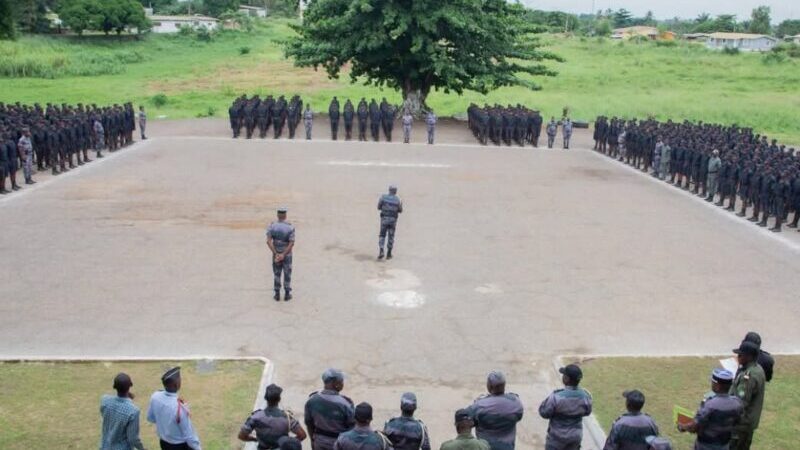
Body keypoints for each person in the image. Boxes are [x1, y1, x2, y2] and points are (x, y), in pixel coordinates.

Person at [678, 368, 742, 450]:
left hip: (706, 445)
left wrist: (683, 426)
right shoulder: (737, 403)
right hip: (724, 445)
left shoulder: (710, 405)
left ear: (717, 385)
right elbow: (738, 422)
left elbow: (695, 426)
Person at [538, 364, 592, 450]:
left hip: (556, 438)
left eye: (564, 375)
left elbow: (544, 412)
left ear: (566, 379)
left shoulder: (556, 397)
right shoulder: (586, 396)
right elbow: (588, 412)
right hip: (575, 437)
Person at [147, 367, 202, 450]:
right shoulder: (179, 408)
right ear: (177, 384)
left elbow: (150, 418)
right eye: (180, 379)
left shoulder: (155, 397)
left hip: (164, 443)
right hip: (179, 446)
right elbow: (189, 435)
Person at [239, 383, 307, 449]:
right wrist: (287, 445)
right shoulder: (287, 418)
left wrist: (255, 439)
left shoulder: (255, 417)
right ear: (279, 399)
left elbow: (242, 436)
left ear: (265, 398)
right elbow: (302, 435)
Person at [470, 371, 524, 450]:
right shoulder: (515, 403)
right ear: (504, 385)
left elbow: (470, 421)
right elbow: (519, 416)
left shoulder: (480, 405)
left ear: (489, 386)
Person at [305, 369, 356, 450]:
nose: (343, 384)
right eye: (341, 381)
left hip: (319, 443)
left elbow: (308, 423)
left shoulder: (312, 400)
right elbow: (352, 427)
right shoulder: (345, 403)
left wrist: (313, 440)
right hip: (339, 444)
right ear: (336, 384)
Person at [729, 341, 766, 450]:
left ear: (749, 357)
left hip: (740, 425)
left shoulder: (748, 377)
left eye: (740, 355)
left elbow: (740, 402)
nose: (738, 357)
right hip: (747, 424)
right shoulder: (757, 369)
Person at [100, 373, 146, 450]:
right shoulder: (133, 411)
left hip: (105, 446)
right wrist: (142, 448)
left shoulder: (105, 400)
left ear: (114, 386)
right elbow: (133, 438)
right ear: (130, 386)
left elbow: (105, 415)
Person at [266, 207, 296, 302]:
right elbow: (292, 243)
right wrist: (283, 254)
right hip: (287, 254)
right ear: (285, 215)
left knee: (277, 273)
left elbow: (268, 241)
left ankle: (277, 294)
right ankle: (287, 294)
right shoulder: (290, 227)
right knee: (287, 273)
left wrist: (276, 253)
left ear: (278, 215)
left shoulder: (272, 226)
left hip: (276, 253)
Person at [378, 185, 403, 260]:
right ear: (395, 191)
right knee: (391, 236)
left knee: (382, 235)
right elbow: (400, 210)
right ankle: (389, 253)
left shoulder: (383, 197)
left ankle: (381, 250)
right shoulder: (398, 200)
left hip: (384, 219)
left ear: (389, 190)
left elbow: (378, 207)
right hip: (393, 220)